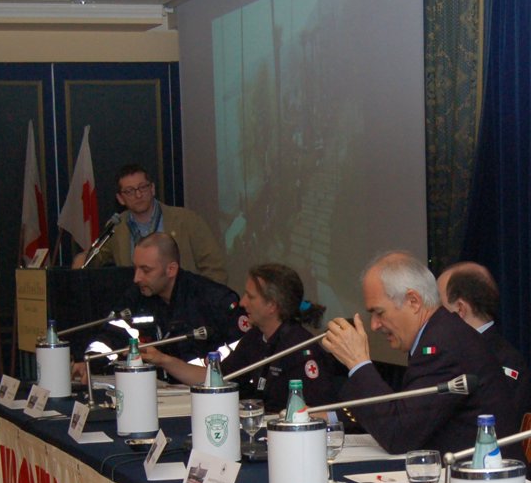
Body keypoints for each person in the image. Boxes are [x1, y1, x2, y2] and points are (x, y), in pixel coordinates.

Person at [321, 251, 526, 458]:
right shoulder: (439, 334)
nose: (374, 325)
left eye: (379, 313)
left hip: (485, 482)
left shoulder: (444, 345)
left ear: (413, 301)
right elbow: (406, 419)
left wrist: (358, 363)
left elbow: (398, 435)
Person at [143, 262, 341, 411]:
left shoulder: (300, 349)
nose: (243, 302)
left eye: (251, 296)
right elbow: (217, 379)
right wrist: (163, 360)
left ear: (272, 305)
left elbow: (321, 413)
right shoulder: (255, 338)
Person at [98, 233, 243, 366]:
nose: (137, 278)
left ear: (171, 270)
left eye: (146, 270)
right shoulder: (138, 294)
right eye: (135, 269)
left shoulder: (213, 298)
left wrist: (211, 365)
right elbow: (112, 332)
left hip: (207, 386)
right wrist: (94, 359)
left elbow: (243, 347)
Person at [71, 163, 228, 286]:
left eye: (143, 187)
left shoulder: (186, 220)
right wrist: (83, 258)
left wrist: (200, 303)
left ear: (152, 188)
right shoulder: (117, 227)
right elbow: (96, 256)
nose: (138, 195)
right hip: (138, 308)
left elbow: (215, 269)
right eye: (130, 191)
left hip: (183, 306)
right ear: (120, 198)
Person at [437, 261, 531, 423]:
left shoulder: (505, 360)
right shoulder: (449, 352)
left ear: (460, 309)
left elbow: (495, 425)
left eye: (440, 306)